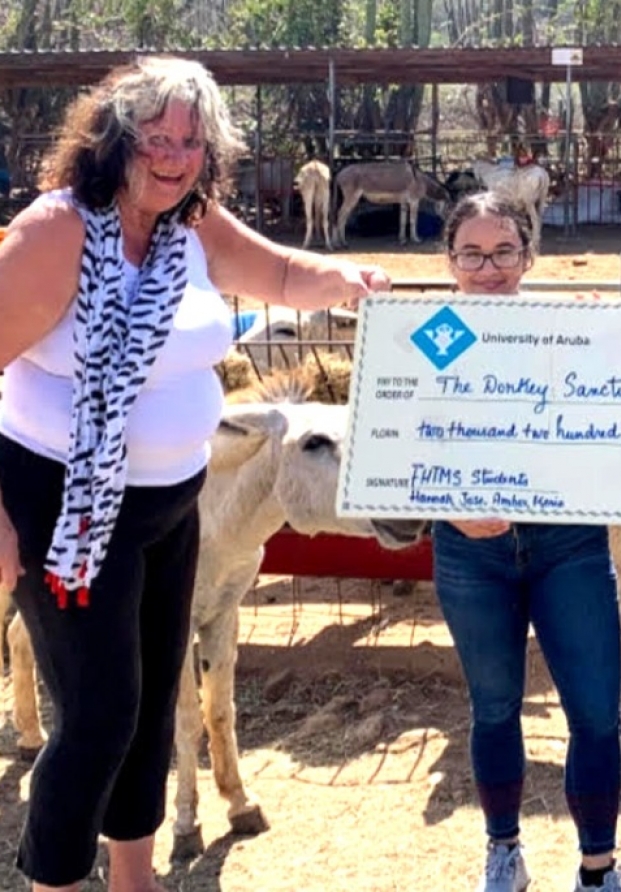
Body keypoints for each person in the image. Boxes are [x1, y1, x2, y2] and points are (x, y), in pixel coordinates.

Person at [0, 56, 390, 892]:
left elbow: (281, 275)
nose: (173, 154)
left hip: (170, 510)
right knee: (99, 717)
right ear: (113, 137)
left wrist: (349, 281)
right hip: (66, 511)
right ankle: (56, 882)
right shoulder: (56, 231)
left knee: (143, 711)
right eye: (156, 135)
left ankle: (134, 879)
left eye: (191, 139)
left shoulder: (194, 224)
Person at [431, 192, 621, 892]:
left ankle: (599, 866)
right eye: (473, 254)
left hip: (568, 541)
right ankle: (503, 849)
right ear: (449, 260)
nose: (489, 269)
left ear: (529, 255)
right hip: (469, 549)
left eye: (505, 252)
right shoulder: (422, 335)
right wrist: (447, 507)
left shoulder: (570, 329)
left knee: (597, 711)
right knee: (493, 706)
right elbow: (393, 448)